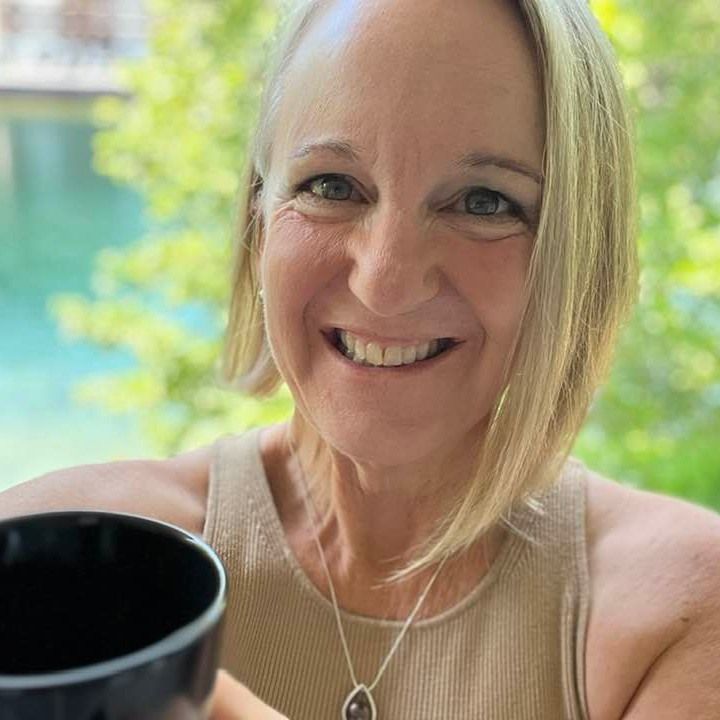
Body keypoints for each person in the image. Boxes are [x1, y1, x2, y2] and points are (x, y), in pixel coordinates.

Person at [2, 0, 719, 717]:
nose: (386, 282)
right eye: (331, 186)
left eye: (483, 202)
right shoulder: (49, 555)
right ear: (258, 222)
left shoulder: (681, 612)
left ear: (581, 254)